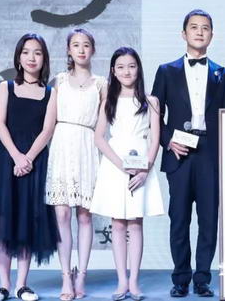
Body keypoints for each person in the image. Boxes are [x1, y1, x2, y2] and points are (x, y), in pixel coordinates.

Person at [0, 33, 59, 301]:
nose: (32, 57)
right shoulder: (6, 87)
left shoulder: (51, 93)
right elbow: (0, 124)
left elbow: (47, 130)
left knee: (28, 220)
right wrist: (17, 157)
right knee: (3, 220)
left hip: (35, 160)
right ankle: (3, 285)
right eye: (26, 52)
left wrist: (28, 158)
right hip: (5, 159)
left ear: (44, 59)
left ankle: (22, 285)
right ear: (19, 57)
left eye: (37, 52)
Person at [151, 9, 225, 298]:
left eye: (205, 28)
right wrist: (168, 142)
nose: (200, 32)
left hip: (210, 153)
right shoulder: (166, 71)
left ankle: (202, 279)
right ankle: (180, 278)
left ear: (212, 35)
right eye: (194, 27)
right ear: (183, 33)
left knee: (209, 220)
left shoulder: (223, 74)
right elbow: (154, 115)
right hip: (180, 152)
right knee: (179, 219)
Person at [90, 47, 164, 301]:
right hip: (115, 165)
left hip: (141, 165)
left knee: (135, 222)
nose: (126, 71)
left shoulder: (151, 101)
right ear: (113, 71)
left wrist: (145, 169)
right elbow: (99, 138)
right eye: (120, 67)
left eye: (131, 66)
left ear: (138, 69)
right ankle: (122, 280)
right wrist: (121, 165)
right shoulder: (108, 101)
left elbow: (155, 139)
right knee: (118, 223)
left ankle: (134, 281)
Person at [45, 29, 106, 300]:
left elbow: (102, 125)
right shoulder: (59, 81)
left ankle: (81, 274)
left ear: (93, 49)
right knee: (62, 215)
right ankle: (65, 277)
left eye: (86, 45)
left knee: (84, 215)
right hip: (62, 146)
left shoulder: (101, 84)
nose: (81, 50)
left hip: (87, 146)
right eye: (76, 45)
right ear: (69, 50)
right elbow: (49, 123)